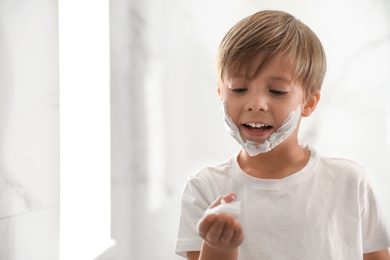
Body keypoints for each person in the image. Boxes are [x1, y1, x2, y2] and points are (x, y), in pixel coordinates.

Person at [175, 10, 390, 260]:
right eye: (239, 89)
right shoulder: (205, 188)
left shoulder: (349, 182)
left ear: (309, 101)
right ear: (221, 92)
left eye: (276, 91)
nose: (256, 104)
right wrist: (219, 248)